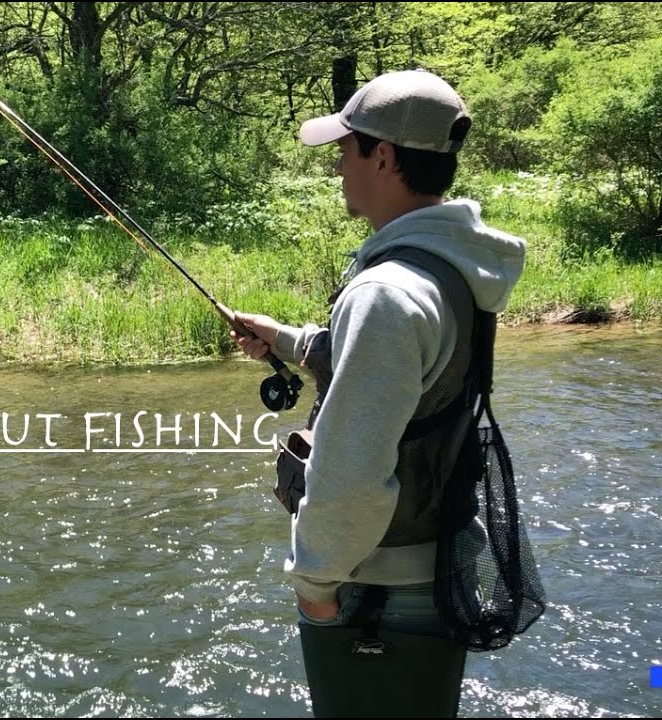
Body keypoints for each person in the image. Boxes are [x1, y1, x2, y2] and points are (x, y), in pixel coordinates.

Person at [230, 70, 526, 717]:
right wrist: (284, 339)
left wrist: (314, 584)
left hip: (378, 589)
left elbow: (353, 473)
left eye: (345, 148)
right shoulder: (445, 268)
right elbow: (409, 375)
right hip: (431, 564)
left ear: (383, 157)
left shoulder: (387, 294)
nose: (337, 165)